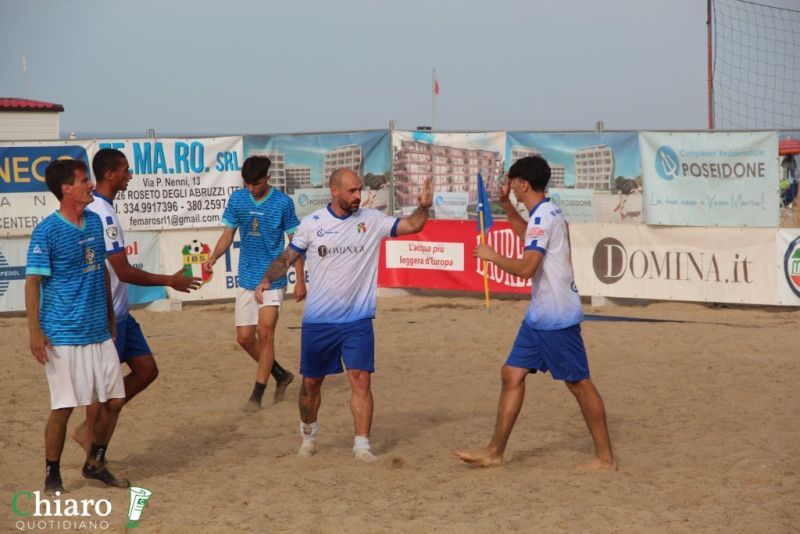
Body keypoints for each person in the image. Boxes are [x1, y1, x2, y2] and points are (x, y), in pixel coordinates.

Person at [256, 168, 432, 462]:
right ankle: (308, 435)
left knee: (361, 379)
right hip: (319, 322)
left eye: (359, 190)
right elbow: (288, 257)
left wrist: (424, 206)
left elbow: (413, 225)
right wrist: (265, 279)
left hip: (358, 321)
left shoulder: (372, 220)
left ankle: (362, 445)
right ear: (334, 190)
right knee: (311, 384)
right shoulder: (312, 224)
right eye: (351, 191)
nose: (357, 196)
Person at [453, 156, 615, 470]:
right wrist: (507, 207)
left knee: (579, 384)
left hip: (556, 316)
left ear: (523, 184)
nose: (510, 187)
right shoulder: (548, 212)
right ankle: (495, 452)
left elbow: (527, 268)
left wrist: (492, 255)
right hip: (538, 316)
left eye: (513, 182)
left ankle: (605, 458)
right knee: (511, 373)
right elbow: (527, 232)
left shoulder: (544, 218)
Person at [70, 148, 202, 452]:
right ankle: (91, 439)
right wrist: (170, 280)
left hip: (121, 313)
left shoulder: (106, 208)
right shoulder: (101, 213)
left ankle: (88, 431)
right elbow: (123, 270)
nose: (130, 175)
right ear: (109, 174)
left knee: (146, 370)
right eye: (126, 170)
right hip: (106, 317)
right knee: (104, 390)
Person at [25, 159, 129, 495]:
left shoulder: (96, 222)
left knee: (114, 400)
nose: (90, 185)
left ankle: (95, 462)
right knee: (64, 407)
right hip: (63, 335)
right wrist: (34, 332)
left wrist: (110, 315)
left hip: (98, 331)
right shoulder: (47, 231)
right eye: (85, 180)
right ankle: (52, 475)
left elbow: (99, 270)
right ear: (66, 188)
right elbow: (32, 283)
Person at [205, 155, 305, 410]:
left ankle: (256, 396)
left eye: (256, 183)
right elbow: (228, 234)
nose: (251, 188)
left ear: (267, 178)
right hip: (247, 278)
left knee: (266, 333)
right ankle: (280, 375)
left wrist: (299, 281)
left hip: (273, 278)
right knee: (245, 339)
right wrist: (214, 256)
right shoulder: (238, 199)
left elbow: (296, 244)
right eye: (247, 183)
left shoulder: (283, 203)